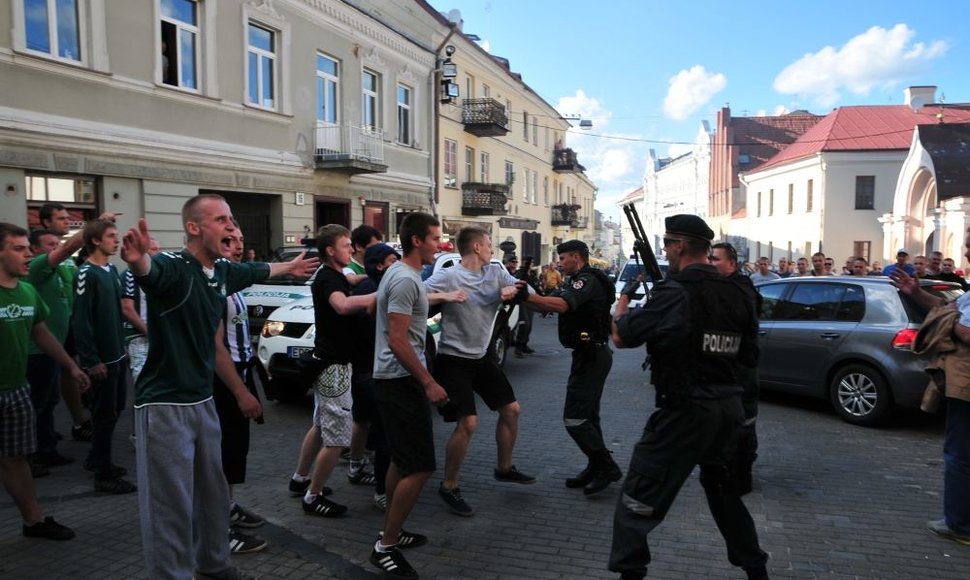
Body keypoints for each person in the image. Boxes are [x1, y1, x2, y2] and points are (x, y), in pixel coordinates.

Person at [121, 193, 318, 580]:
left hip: (203, 399)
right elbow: (152, 272)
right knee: (171, 503)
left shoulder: (223, 272)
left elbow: (260, 270)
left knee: (213, 492)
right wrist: (140, 260)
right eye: (220, 219)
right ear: (194, 228)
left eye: (232, 219)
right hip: (164, 405)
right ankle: (173, 574)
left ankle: (213, 564)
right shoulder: (175, 266)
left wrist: (291, 265)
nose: (231, 225)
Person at [608, 215, 769, 580]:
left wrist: (621, 303)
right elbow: (748, 356)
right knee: (724, 493)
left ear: (680, 245)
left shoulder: (675, 292)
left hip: (685, 409)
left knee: (639, 494)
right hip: (729, 407)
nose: (665, 251)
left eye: (667, 244)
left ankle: (630, 572)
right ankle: (756, 570)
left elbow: (622, 337)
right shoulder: (740, 291)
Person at [424, 226, 536, 517]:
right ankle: (449, 486)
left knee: (511, 410)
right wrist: (445, 297)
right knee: (469, 423)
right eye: (488, 244)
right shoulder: (448, 275)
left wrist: (515, 290)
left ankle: (504, 468)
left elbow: (528, 289)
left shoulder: (496, 272)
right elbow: (417, 294)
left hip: (482, 357)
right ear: (475, 246)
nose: (491, 249)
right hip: (452, 359)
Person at [370, 212, 450, 579]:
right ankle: (385, 546)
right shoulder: (404, 278)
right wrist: (428, 382)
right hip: (400, 380)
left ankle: (393, 531)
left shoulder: (402, 275)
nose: (440, 244)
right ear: (417, 241)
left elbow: (379, 311)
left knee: (402, 461)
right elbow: (398, 339)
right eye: (435, 238)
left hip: (396, 379)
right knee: (420, 467)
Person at [0, 222, 90, 541]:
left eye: (28, 248)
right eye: (19, 249)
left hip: (16, 390)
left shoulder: (26, 291)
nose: (29, 255)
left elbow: (41, 331)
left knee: (16, 458)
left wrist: (71, 366)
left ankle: (34, 521)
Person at [524, 240, 621, 496]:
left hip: (593, 355)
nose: (559, 262)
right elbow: (549, 301)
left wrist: (527, 297)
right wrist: (525, 296)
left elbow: (562, 305)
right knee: (588, 416)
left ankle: (607, 467)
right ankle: (595, 466)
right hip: (588, 354)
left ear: (577, 257)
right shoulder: (576, 279)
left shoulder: (585, 281)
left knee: (575, 418)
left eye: (564, 257)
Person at [891, 248, 970, 547]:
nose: (966, 251)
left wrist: (955, 322)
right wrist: (915, 293)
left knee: (959, 455)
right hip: (961, 380)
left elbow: (966, 331)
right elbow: (946, 306)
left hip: (966, 382)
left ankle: (960, 525)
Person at [297, 225, 376, 519]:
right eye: (346, 246)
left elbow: (350, 279)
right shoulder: (329, 280)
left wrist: (373, 277)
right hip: (335, 367)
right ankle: (313, 496)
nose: (351, 250)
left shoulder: (335, 275)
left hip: (329, 362)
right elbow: (342, 306)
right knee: (337, 438)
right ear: (331, 251)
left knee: (320, 425)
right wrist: (378, 296)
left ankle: (301, 478)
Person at [71, 219, 136, 494]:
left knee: (115, 409)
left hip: (117, 355)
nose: (116, 240)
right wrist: (91, 360)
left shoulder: (111, 269)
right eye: (111, 236)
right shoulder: (87, 273)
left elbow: (117, 313)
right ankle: (103, 472)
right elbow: (81, 321)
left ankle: (97, 457)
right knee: (104, 414)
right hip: (101, 361)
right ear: (96, 241)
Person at [215, 228, 267, 555]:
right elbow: (214, 346)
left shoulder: (231, 285)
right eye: (228, 242)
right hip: (223, 380)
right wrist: (239, 391)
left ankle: (227, 505)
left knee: (235, 451)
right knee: (221, 454)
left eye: (240, 242)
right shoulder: (214, 287)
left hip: (240, 373)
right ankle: (219, 530)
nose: (237, 248)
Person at [35, 203, 94, 444]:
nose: (67, 221)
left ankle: (76, 422)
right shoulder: (46, 258)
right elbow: (70, 245)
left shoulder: (66, 257)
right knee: (45, 392)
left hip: (68, 326)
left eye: (68, 217)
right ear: (46, 222)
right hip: (46, 333)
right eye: (60, 218)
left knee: (71, 374)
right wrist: (98, 222)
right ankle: (42, 443)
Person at [351, 243, 401, 512]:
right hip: (371, 372)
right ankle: (382, 490)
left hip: (366, 370)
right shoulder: (372, 290)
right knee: (384, 433)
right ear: (380, 265)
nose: (398, 265)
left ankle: (359, 468)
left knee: (369, 425)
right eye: (393, 260)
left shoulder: (371, 286)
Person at [709, 242, 761, 495]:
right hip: (727, 369)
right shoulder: (722, 287)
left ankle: (742, 476)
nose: (711, 263)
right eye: (709, 258)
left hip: (741, 370)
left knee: (744, 424)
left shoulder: (741, 289)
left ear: (732, 263)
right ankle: (729, 471)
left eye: (716, 259)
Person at [513, 258, 541, 357]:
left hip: (531, 301)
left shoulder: (532, 274)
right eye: (529, 262)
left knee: (529, 325)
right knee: (524, 324)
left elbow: (535, 285)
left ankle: (524, 344)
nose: (531, 264)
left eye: (532, 262)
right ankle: (518, 348)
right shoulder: (520, 273)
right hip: (522, 302)